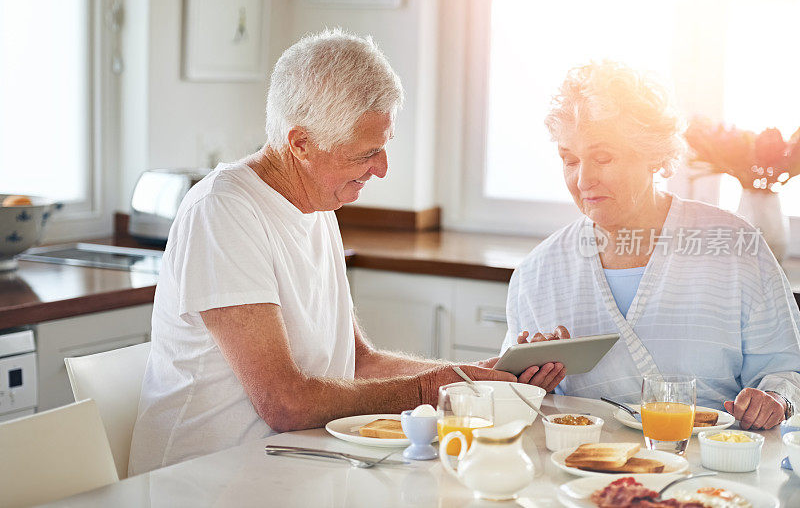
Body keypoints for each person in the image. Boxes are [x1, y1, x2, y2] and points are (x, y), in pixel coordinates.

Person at [129, 30, 553, 475]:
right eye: (366, 153)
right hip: (201, 482)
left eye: (384, 147)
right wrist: (432, 390)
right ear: (301, 144)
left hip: (286, 468)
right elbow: (286, 403)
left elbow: (358, 362)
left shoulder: (317, 203)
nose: (382, 168)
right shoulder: (224, 212)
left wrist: (471, 376)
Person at [501, 61, 800, 430]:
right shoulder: (538, 272)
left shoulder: (734, 246)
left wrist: (775, 399)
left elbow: (786, 367)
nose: (583, 179)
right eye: (570, 160)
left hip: (712, 470)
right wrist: (528, 383)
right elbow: (508, 399)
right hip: (585, 469)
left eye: (603, 158)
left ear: (654, 155)